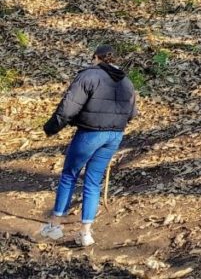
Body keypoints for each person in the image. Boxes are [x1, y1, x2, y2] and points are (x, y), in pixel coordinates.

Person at [39, 44, 138, 247]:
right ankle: (85, 233)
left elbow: (68, 106)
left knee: (70, 175)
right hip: (114, 135)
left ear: (96, 58)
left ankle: (55, 226)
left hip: (90, 134)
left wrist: (51, 128)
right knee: (93, 181)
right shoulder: (127, 81)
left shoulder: (89, 76)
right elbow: (132, 113)